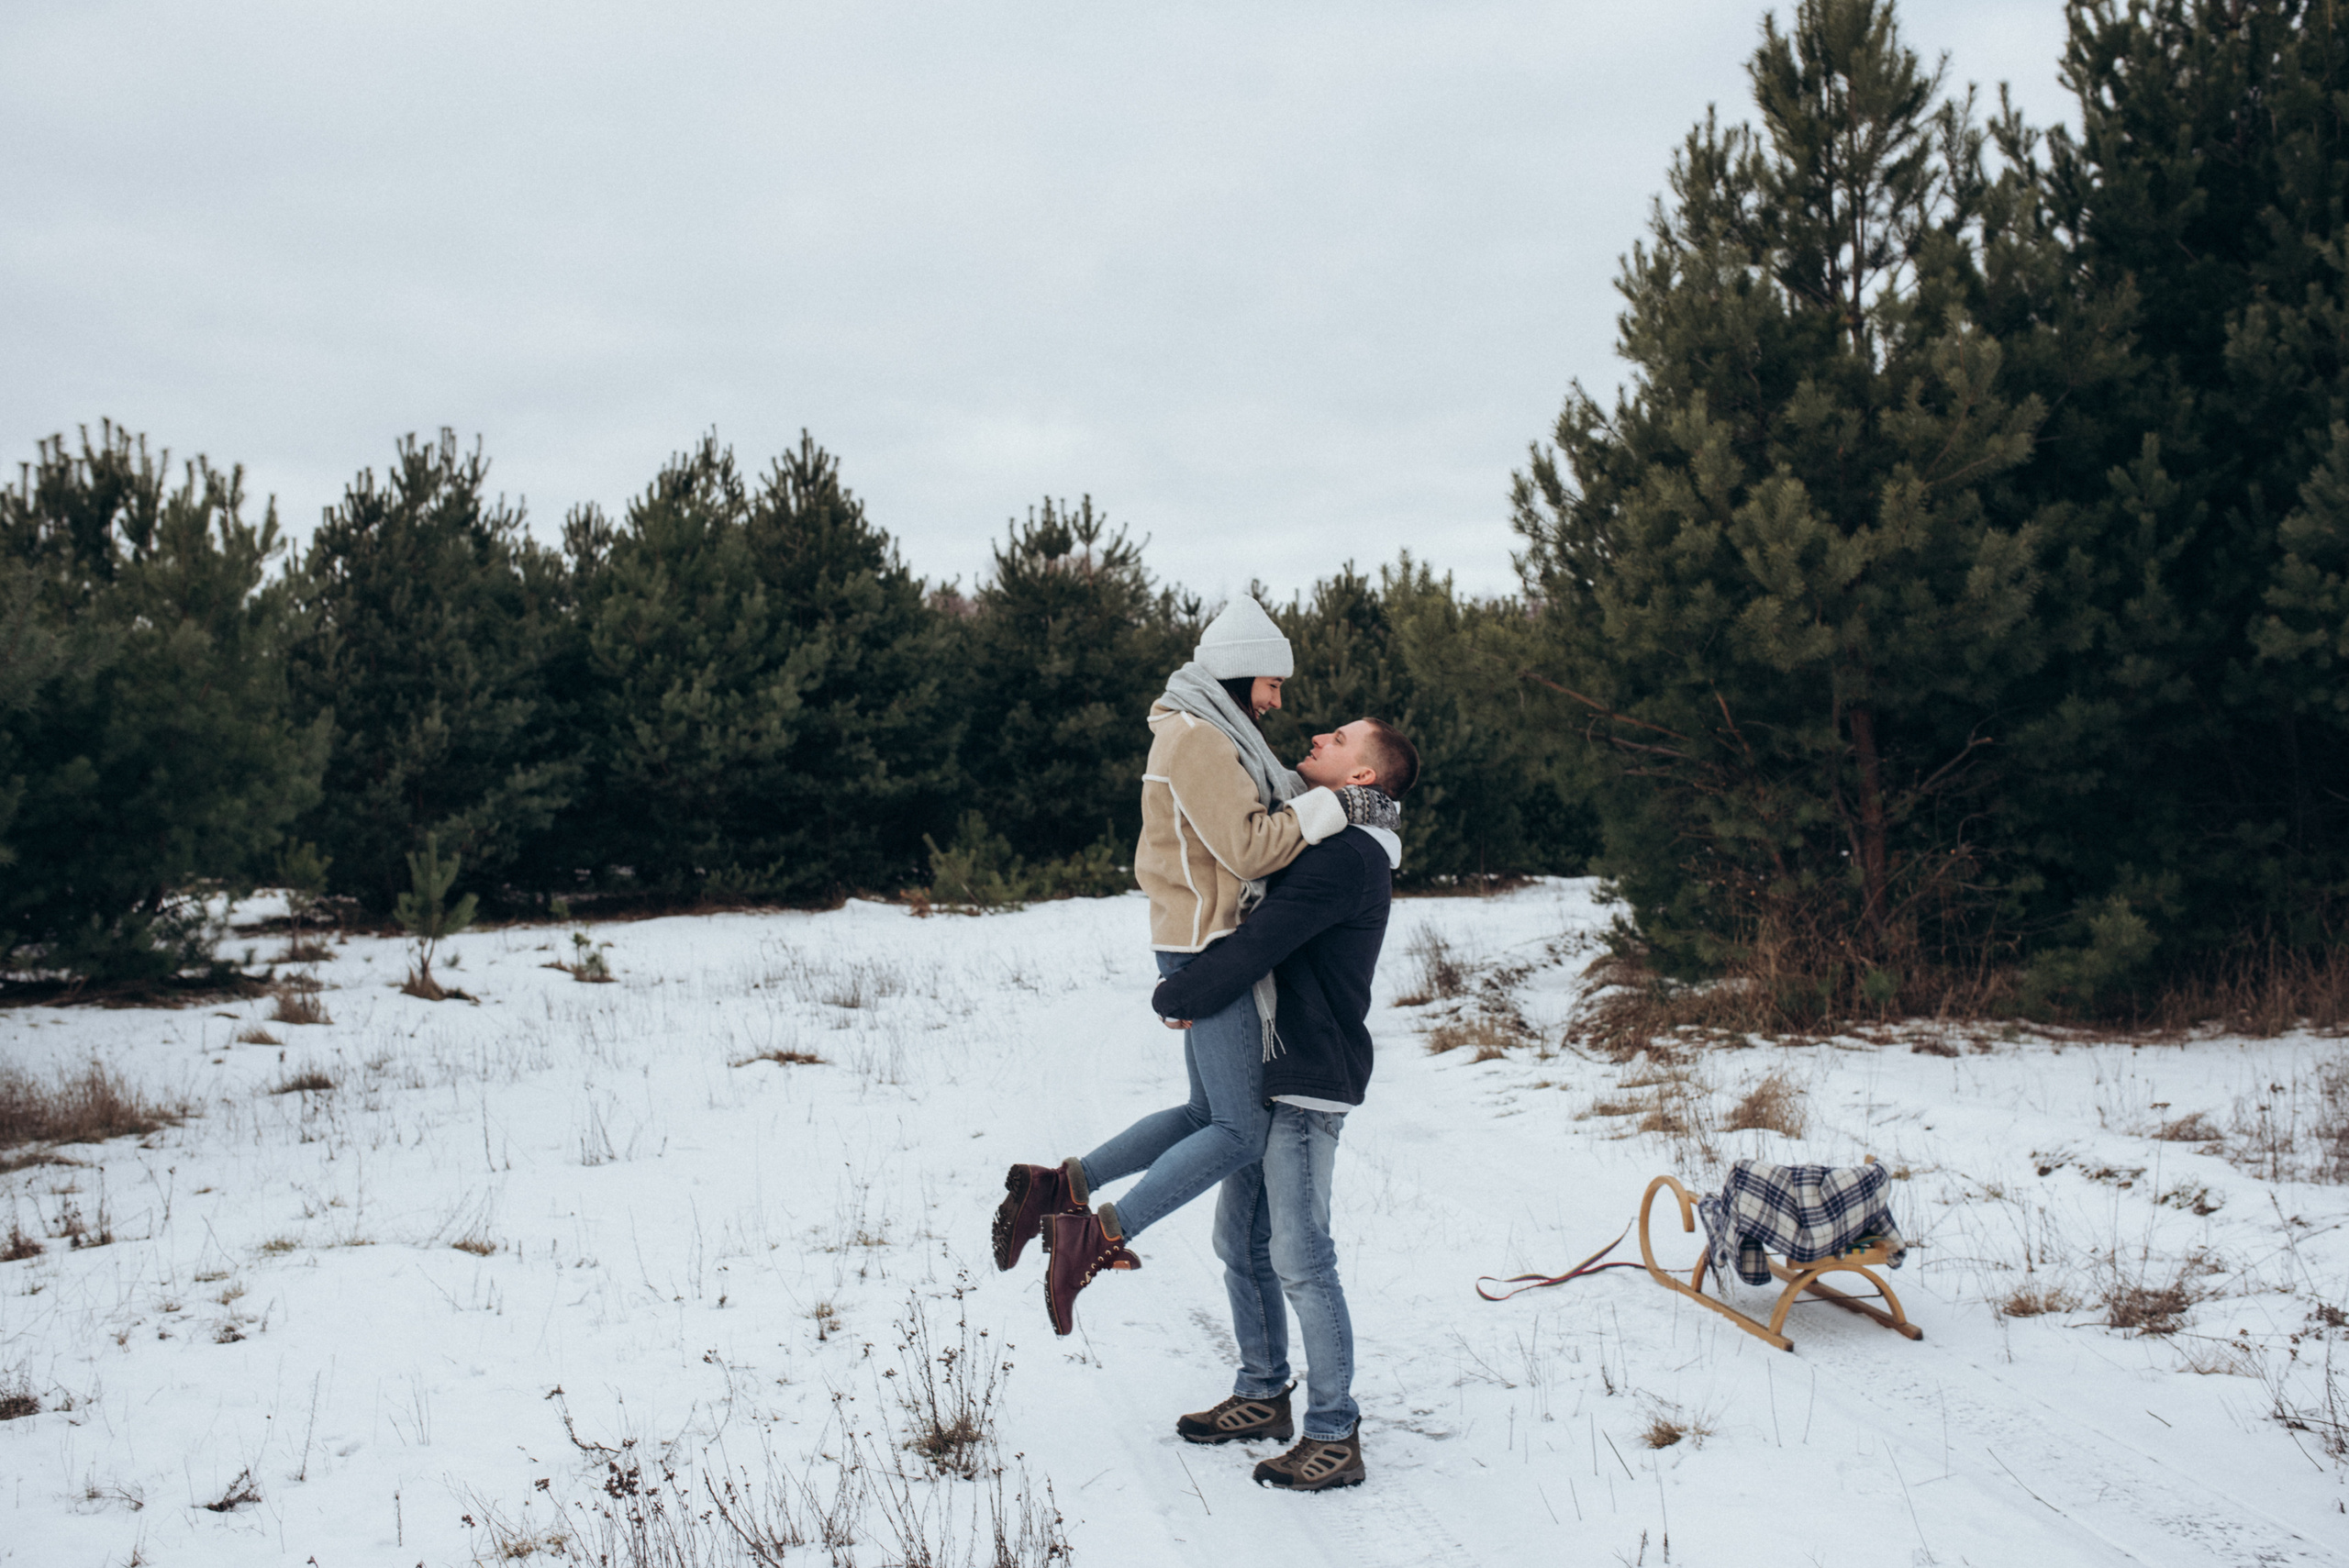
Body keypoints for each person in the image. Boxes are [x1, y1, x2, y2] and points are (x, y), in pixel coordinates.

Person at [989, 596, 1387, 1332]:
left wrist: (1350, 799)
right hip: (1208, 941)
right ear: (1240, 675)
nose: (1278, 700)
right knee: (1237, 1129)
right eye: (1272, 683)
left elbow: (1266, 811)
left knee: (1206, 1113)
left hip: (1200, 935)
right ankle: (1097, 1232)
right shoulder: (1199, 738)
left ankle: (1057, 1186)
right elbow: (1253, 847)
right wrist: (1338, 804)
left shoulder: (1212, 729)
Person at [1152, 716, 1419, 1492]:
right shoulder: (1328, 842)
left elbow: (1262, 938)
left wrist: (1183, 990)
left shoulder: (1350, 857)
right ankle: (1263, 1391)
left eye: (1339, 740)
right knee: (1241, 1241)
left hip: (1306, 1075)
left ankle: (1334, 1431)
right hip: (1272, 1072)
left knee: (1301, 1255)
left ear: (1362, 778)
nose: (1318, 739)